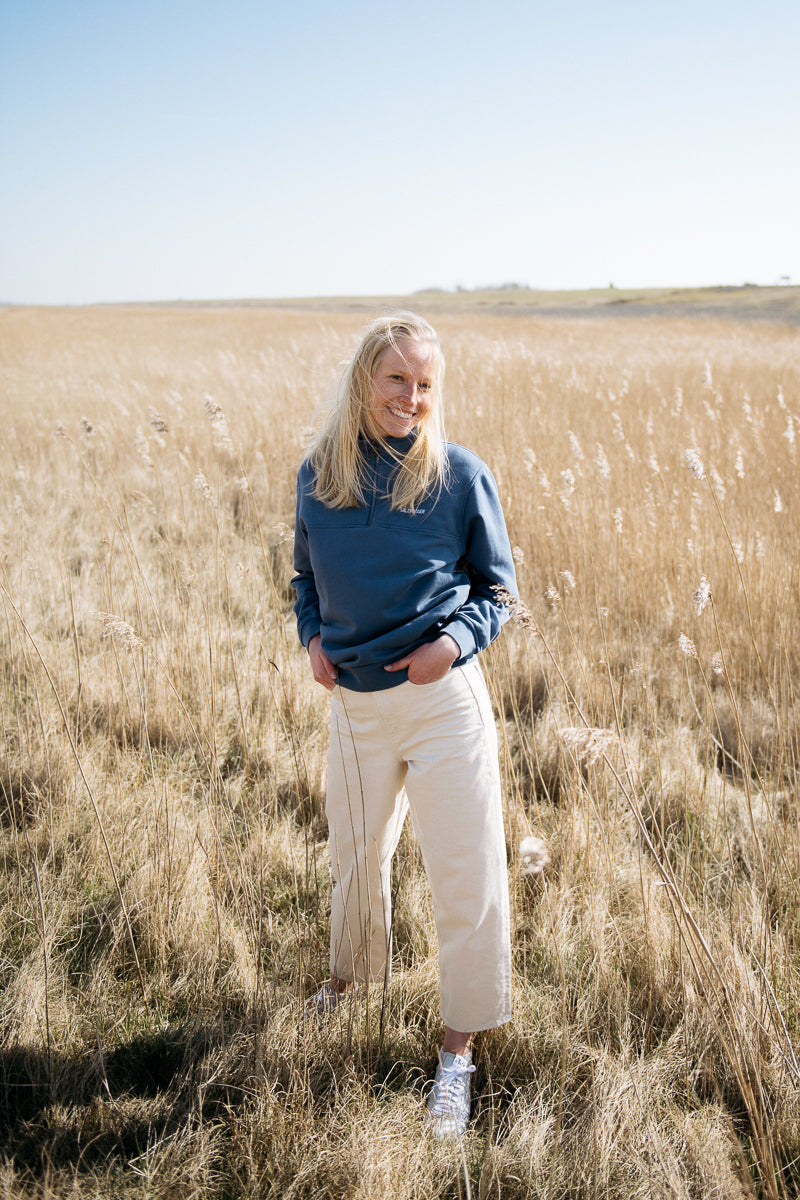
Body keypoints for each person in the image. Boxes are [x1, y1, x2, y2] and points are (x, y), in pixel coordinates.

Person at [291, 312, 517, 1139]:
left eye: (425, 385)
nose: (411, 397)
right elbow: (303, 576)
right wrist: (311, 636)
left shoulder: (458, 475)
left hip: (441, 702)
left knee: (465, 872)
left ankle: (457, 1053)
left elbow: (498, 591)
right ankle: (346, 984)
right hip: (354, 706)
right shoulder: (319, 475)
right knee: (356, 860)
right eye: (397, 379)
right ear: (365, 379)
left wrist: (448, 647)